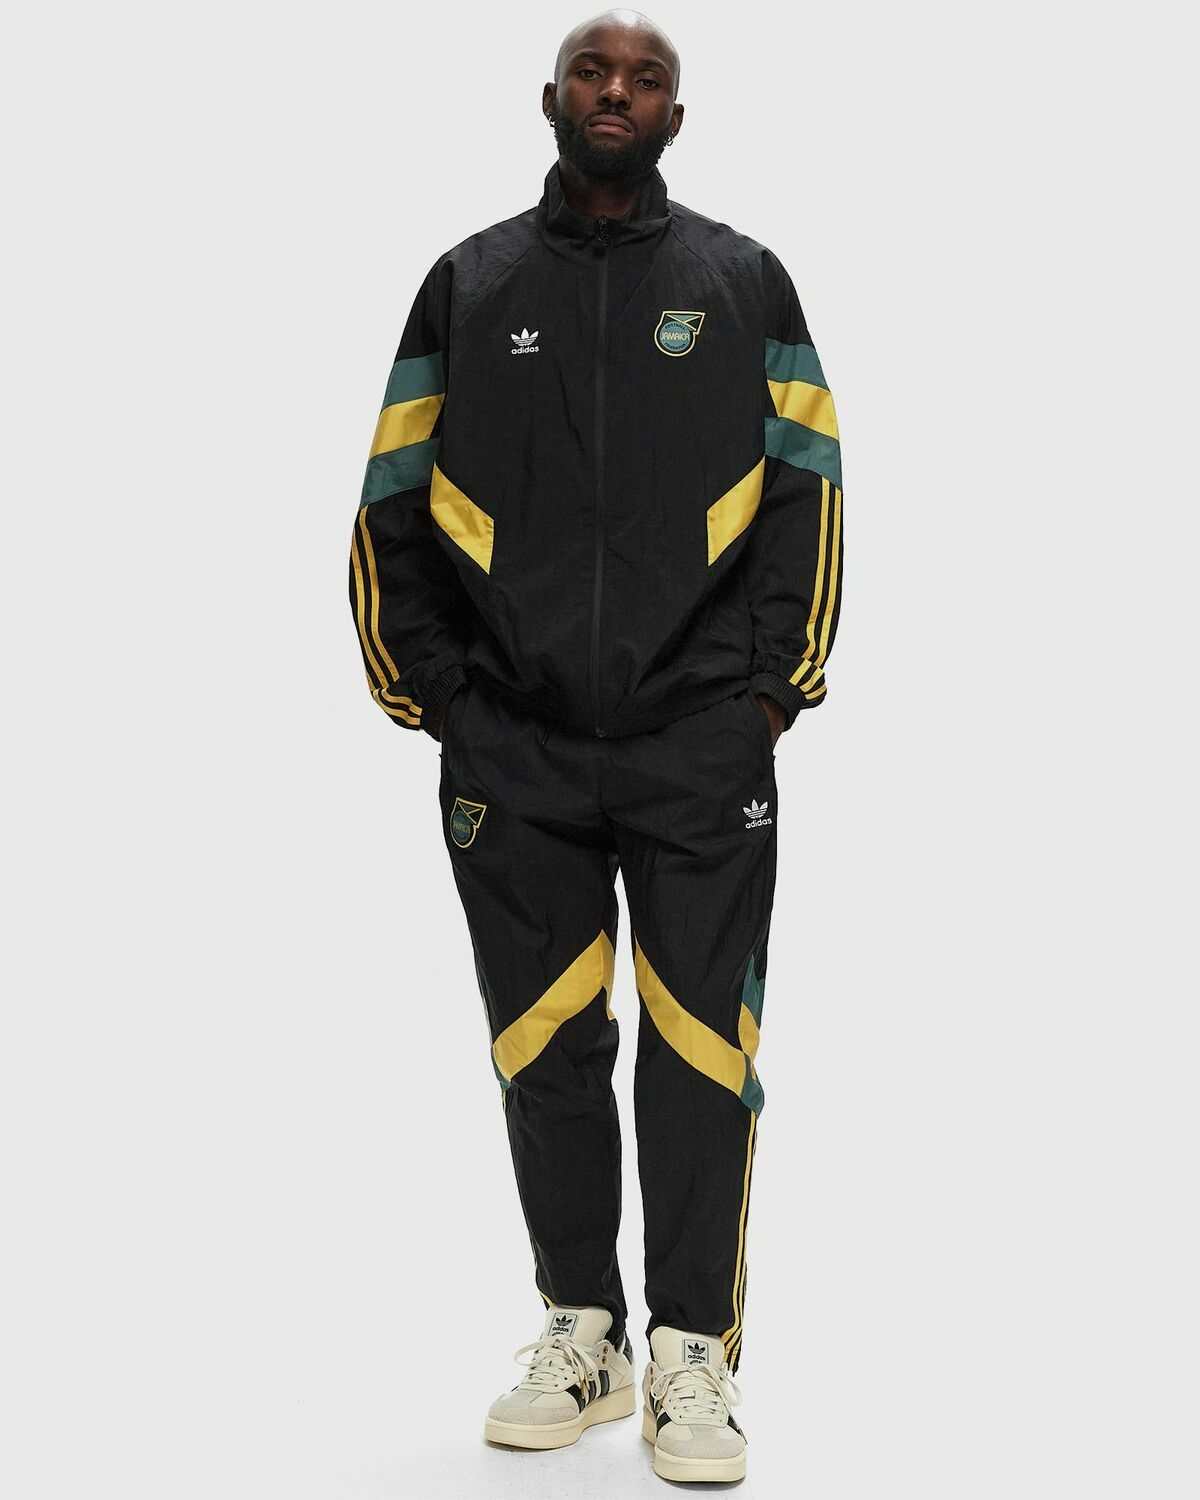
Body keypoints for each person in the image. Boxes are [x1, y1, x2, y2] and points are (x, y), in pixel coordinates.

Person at [348, 7, 843, 1485]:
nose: (616, 92)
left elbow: (810, 489)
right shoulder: (469, 282)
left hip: (701, 749)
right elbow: (389, 500)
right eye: (593, 71)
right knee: (543, 1050)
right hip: (516, 751)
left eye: (646, 79)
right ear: (551, 97)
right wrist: (443, 698)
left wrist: (769, 695)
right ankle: (584, 1330)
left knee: (702, 1054)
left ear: (677, 116)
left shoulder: (744, 281)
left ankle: (692, 1353)